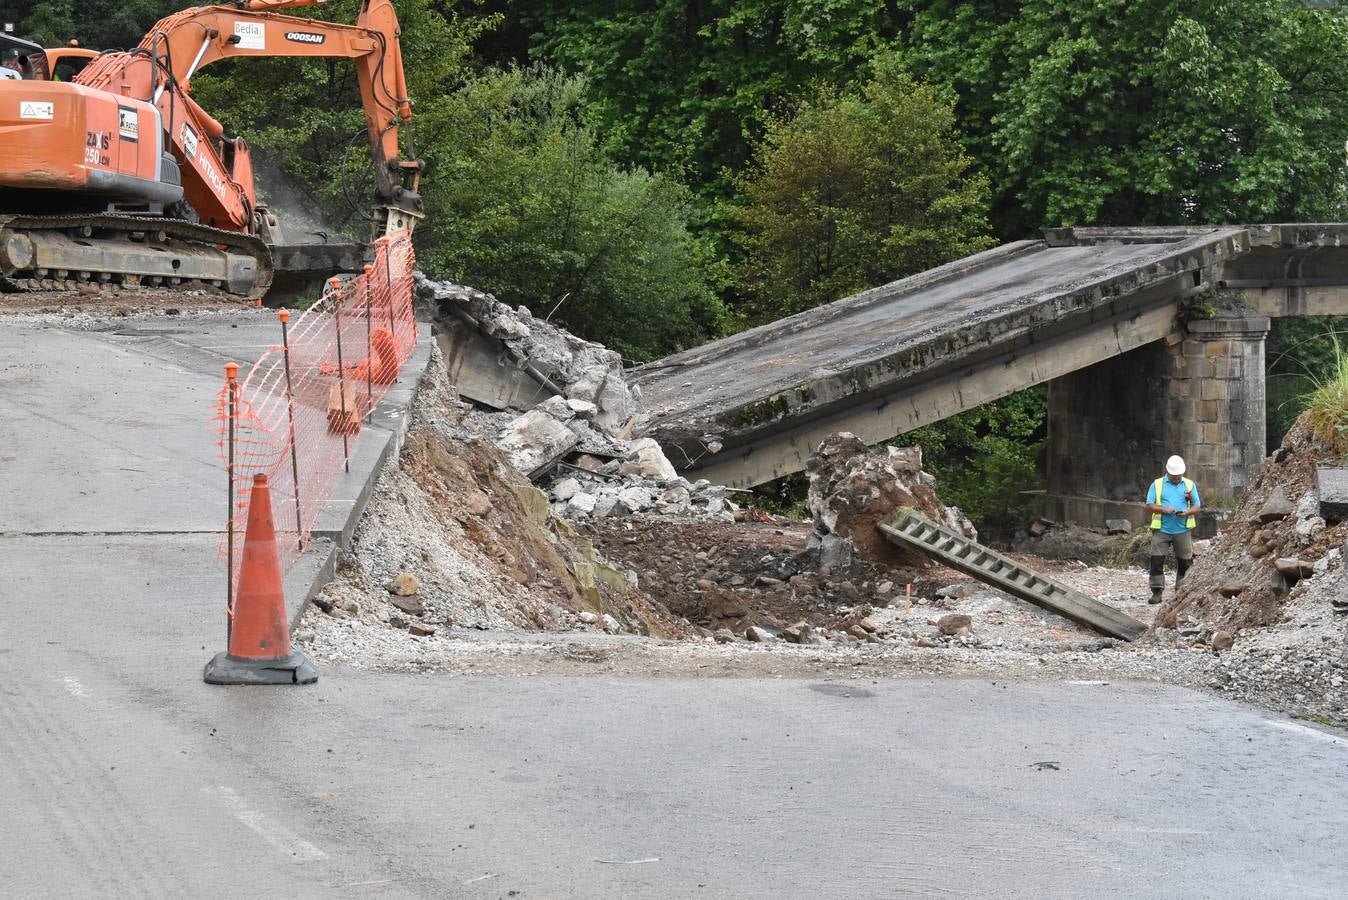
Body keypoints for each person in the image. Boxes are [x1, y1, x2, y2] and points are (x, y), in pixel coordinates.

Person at [1144, 454, 1201, 604]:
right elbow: (1149, 504)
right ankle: (1157, 591)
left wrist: (1187, 512)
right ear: (1168, 472)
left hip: (1182, 529)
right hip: (1162, 529)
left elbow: (1197, 506)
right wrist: (1164, 510)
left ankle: (1181, 591)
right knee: (1156, 561)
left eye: (1179, 475)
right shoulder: (1157, 484)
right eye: (1174, 475)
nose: (1176, 478)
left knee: (1185, 562)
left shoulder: (1189, 485)